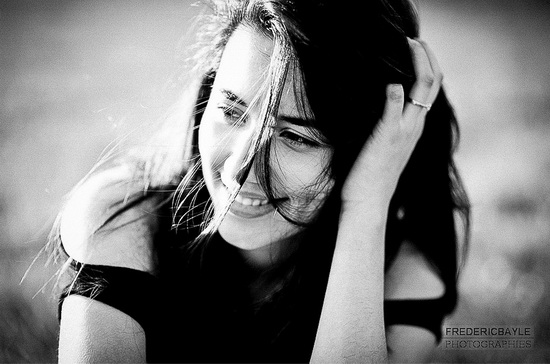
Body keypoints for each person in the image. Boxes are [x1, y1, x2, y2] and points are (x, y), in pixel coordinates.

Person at [53, 0, 470, 362]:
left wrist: (365, 208)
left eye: (296, 136)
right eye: (231, 112)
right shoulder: (121, 219)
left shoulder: (403, 269)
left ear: (370, 149)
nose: (240, 167)